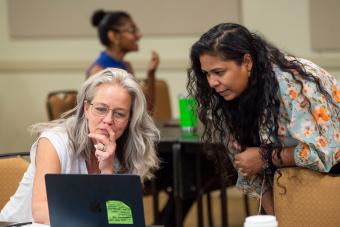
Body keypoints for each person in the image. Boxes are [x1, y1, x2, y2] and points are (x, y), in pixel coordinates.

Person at [187, 23, 340, 214]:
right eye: (206, 74)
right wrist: (275, 218)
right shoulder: (229, 95)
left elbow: (326, 153)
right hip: (292, 185)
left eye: (219, 72)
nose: (212, 83)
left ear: (247, 62)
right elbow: (247, 163)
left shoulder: (292, 81)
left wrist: (266, 157)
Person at [0, 68, 160, 223]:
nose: (108, 120)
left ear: (130, 119)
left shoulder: (129, 151)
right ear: (86, 108)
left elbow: (122, 219)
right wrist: (95, 219)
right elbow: (40, 211)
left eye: (119, 114)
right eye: (101, 109)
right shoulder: (54, 142)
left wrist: (107, 170)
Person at [86, 9, 160, 112]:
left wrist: (151, 74)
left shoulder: (126, 67)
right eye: (132, 30)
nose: (138, 36)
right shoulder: (98, 71)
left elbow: (146, 110)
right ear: (114, 36)